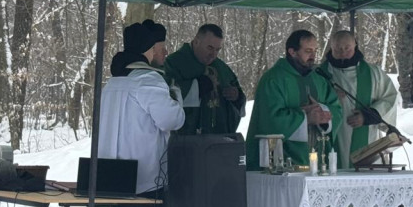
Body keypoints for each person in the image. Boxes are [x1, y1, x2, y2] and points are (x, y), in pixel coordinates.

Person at [99, 19, 184, 207]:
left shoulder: (114, 82)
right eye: (162, 47)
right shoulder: (148, 80)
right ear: (150, 49)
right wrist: (177, 98)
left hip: (114, 169)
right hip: (145, 170)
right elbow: (171, 119)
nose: (165, 52)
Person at [245, 29, 342, 170]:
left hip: (317, 157)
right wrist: (306, 118)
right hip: (283, 160)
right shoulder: (274, 79)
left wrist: (323, 113)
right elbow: (270, 120)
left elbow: (336, 109)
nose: (313, 56)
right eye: (308, 51)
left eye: (315, 51)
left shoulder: (319, 79)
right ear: (292, 52)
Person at [317, 30, 398, 169]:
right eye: (338, 49)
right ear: (331, 47)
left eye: (347, 48)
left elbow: (389, 98)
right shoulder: (319, 74)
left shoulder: (373, 73)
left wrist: (367, 116)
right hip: (329, 139)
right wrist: (328, 96)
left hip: (366, 140)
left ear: (355, 45)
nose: (342, 52)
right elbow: (307, 102)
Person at [163, 23, 245, 135]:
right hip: (187, 139)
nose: (213, 55)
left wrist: (236, 96)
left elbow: (238, 97)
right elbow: (165, 98)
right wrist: (197, 87)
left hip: (219, 138)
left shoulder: (221, 67)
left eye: (217, 50)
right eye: (210, 48)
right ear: (196, 41)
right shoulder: (174, 63)